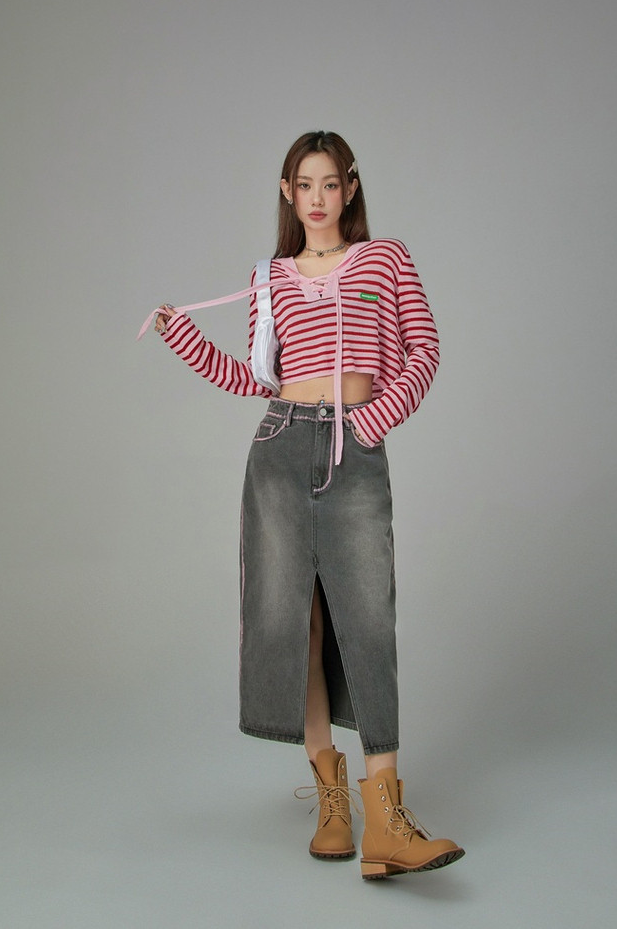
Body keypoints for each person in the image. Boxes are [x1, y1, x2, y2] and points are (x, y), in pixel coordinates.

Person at [149, 130, 464, 880]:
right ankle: (331, 800)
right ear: (287, 194)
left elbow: (424, 350)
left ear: (350, 188)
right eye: (304, 185)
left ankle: (386, 819)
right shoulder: (268, 278)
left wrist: (373, 421)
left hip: (354, 445)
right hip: (281, 448)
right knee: (298, 620)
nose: (317, 199)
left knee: (369, 619)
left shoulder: (386, 259)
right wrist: (184, 338)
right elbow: (254, 378)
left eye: (330, 184)